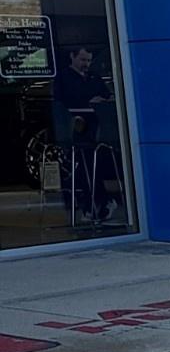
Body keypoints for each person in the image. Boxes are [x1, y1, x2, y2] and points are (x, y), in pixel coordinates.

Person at [52, 46, 116, 223]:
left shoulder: (94, 77)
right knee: (84, 162)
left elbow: (108, 96)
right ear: (72, 57)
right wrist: (85, 103)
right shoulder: (63, 78)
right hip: (75, 127)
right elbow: (60, 103)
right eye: (82, 60)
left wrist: (102, 100)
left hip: (97, 126)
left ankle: (96, 203)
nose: (86, 64)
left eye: (88, 60)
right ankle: (96, 202)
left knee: (91, 161)